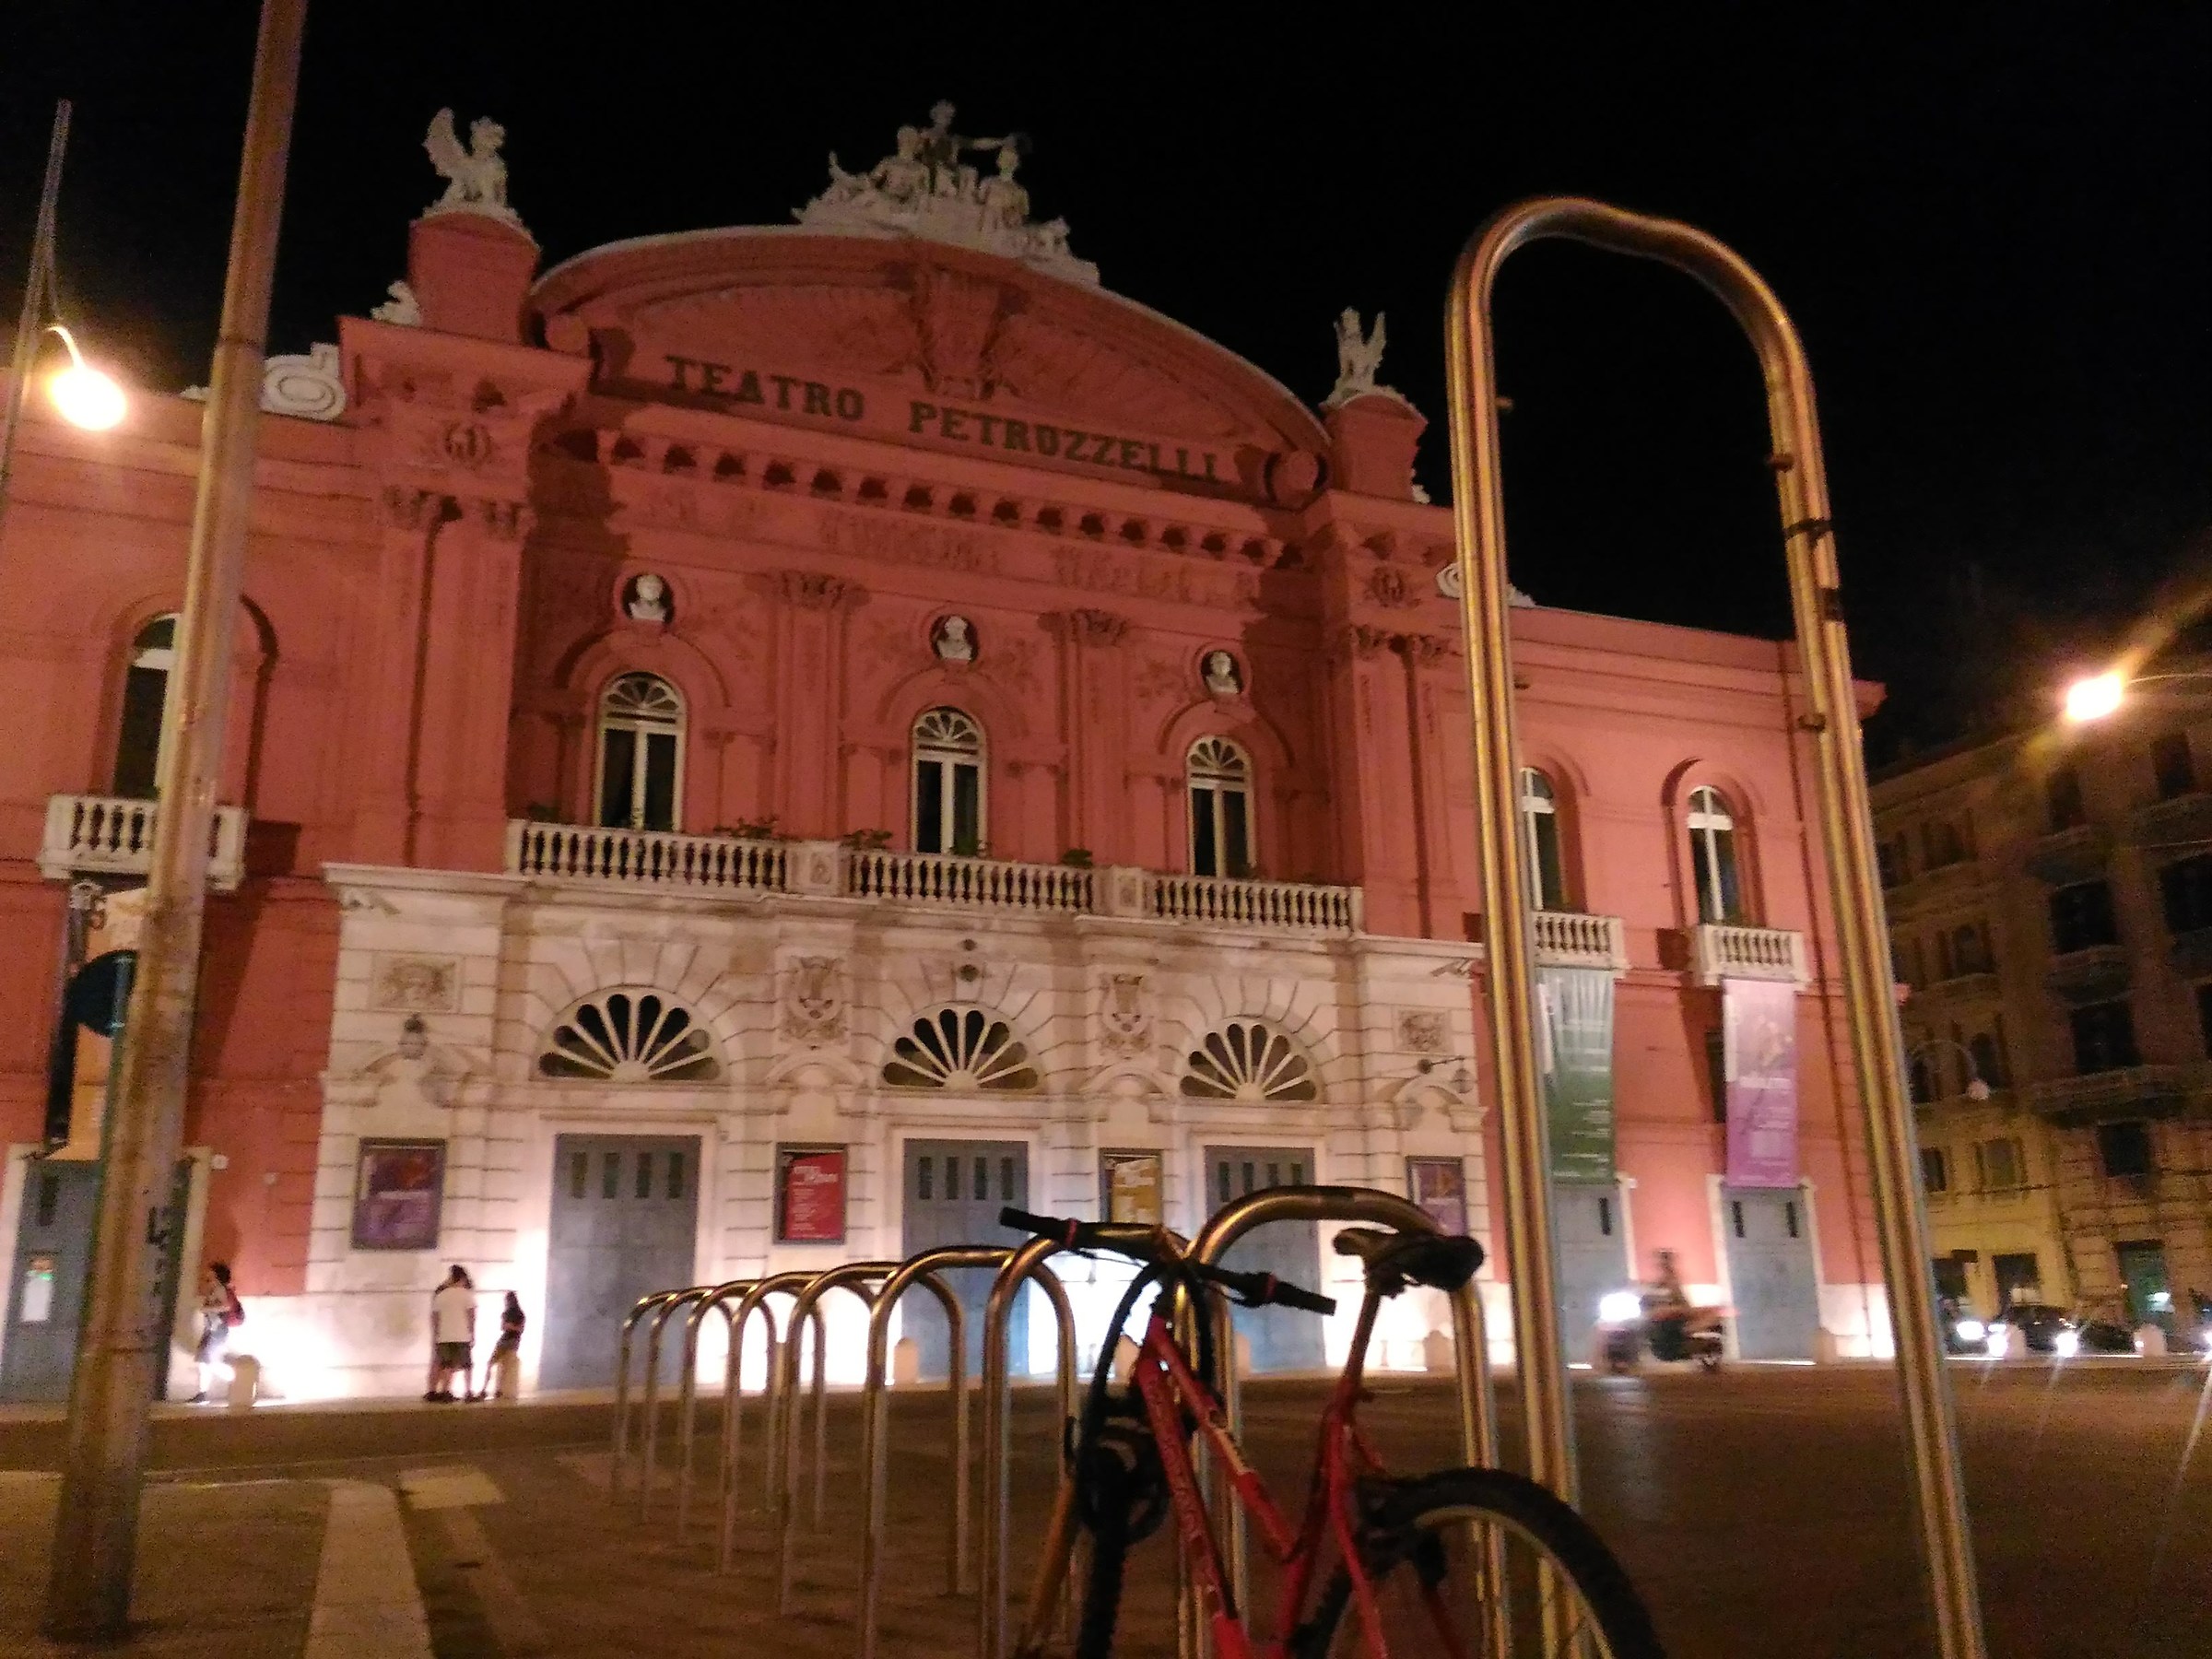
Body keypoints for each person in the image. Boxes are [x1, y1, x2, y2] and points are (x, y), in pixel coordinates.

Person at [191, 1262, 241, 1403]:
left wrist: (207, 1309)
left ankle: (239, 1379)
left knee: (211, 1362)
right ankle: (202, 1394)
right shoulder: (214, 1290)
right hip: (211, 1330)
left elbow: (226, 1306)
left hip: (217, 1331)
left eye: (211, 1274)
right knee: (203, 1362)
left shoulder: (220, 1289)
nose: (208, 1275)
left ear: (217, 1277)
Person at [426, 1265, 477, 1403]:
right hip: (462, 1336)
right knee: (467, 1365)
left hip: (444, 1336)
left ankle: (445, 1391)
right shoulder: (466, 1294)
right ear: (462, 1278)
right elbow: (471, 1316)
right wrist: (472, 1333)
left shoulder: (441, 1295)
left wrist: (436, 1334)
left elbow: (435, 1317)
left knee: (446, 1365)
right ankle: (468, 1392)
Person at [477, 1291, 525, 1402]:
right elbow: (516, 1329)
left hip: (508, 1340)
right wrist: (512, 1327)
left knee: (498, 1365)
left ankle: (492, 1389)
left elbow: (507, 1327)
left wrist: (510, 1326)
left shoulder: (511, 1314)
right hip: (511, 1341)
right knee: (502, 1366)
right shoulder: (518, 1314)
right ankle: (498, 1390)